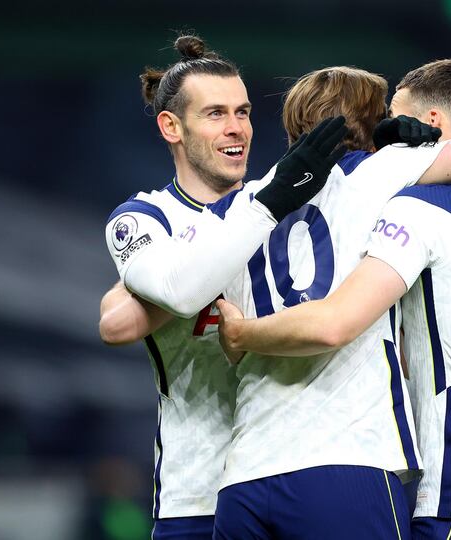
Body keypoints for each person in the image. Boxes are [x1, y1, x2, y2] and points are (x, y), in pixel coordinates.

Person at [218, 59, 451, 539]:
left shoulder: (413, 209)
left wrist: (241, 333)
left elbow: (337, 322)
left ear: (430, 126)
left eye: (399, 117)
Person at [100, 34, 349, 540]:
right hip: (197, 495)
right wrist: (267, 207)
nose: (236, 128)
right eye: (215, 113)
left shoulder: (286, 203)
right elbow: (178, 293)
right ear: (171, 126)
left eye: (243, 111)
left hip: (297, 478)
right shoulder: (144, 219)